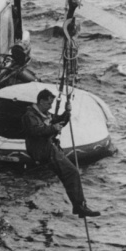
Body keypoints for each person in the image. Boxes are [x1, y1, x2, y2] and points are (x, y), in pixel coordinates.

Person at [22, 89, 98, 218]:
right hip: (40, 149)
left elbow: (59, 121)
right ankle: (79, 207)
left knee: (69, 173)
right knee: (72, 172)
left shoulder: (44, 113)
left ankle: (79, 206)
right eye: (48, 103)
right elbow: (35, 131)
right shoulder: (30, 116)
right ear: (41, 101)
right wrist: (52, 128)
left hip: (48, 147)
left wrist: (67, 112)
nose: (50, 106)